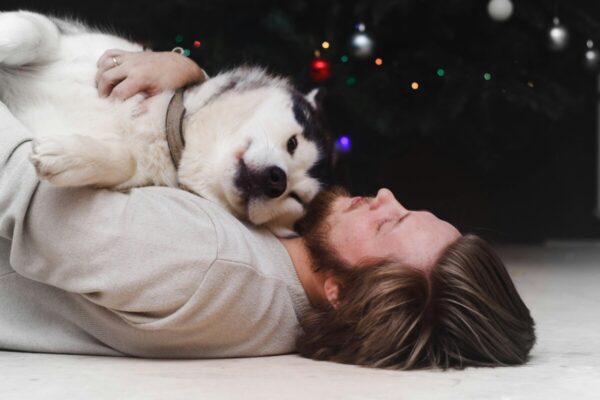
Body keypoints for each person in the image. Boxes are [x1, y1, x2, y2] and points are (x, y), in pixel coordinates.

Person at [0, 50, 535, 369]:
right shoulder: (281, 270)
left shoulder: (209, 262)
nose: (386, 197)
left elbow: (19, 186)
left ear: (343, 292)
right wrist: (189, 77)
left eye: (389, 222)